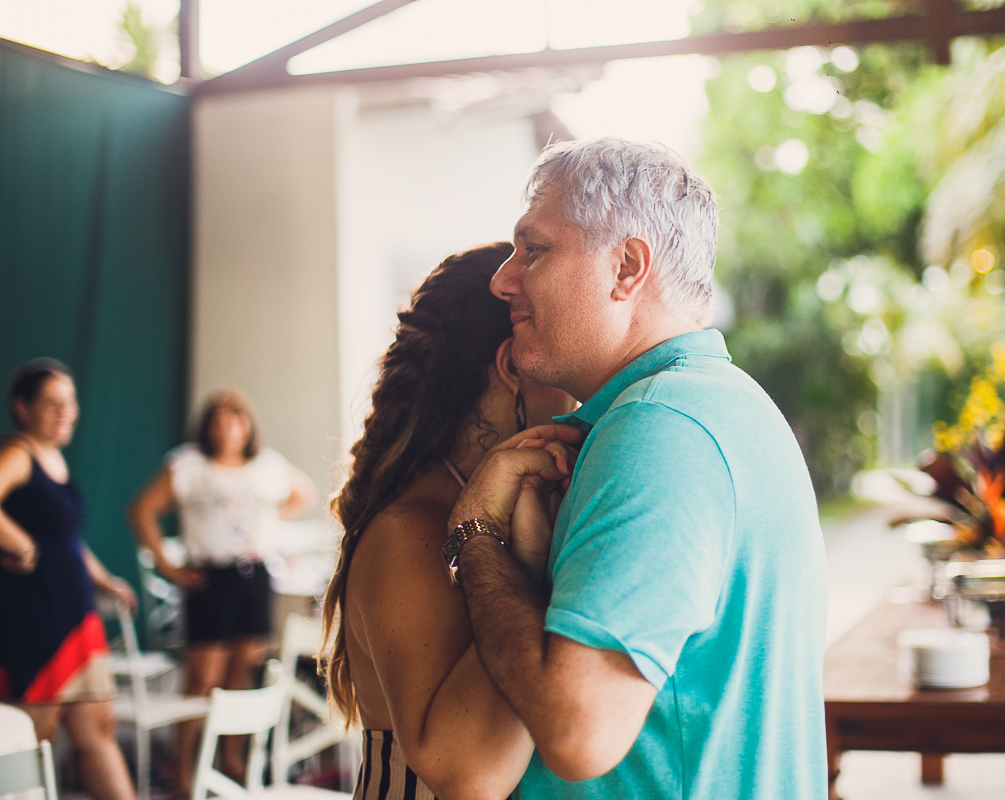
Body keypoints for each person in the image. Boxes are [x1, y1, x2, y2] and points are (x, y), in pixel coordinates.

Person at [445, 137, 829, 799]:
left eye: (534, 250)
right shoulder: (720, 405)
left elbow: (579, 731)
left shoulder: (659, 429)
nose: (502, 280)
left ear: (625, 268)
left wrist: (475, 536)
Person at [319, 242, 576, 800]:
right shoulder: (411, 532)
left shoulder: (457, 505)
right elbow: (468, 775)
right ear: (512, 365)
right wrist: (525, 561)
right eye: (563, 358)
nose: (578, 395)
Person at [127, 387, 317, 790]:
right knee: (203, 676)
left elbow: (305, 493)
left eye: (235, 419)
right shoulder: (188, 465)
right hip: (209, 579)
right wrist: (168, 567)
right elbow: (142, 510)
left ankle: (230, 761)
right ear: (207, 427)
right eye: (218, 420)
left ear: (247, 426)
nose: (227, 428)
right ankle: (184, 769)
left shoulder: (266, 465)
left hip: (255, 575)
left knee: (243, 669)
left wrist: (268, 521)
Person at [0, 358, 138, 800]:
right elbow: (36, 539)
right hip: (35, 617)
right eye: (52, 403)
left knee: (98, 729)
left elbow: (66, 539)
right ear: (22, 408)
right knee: (33, 738)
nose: (66, 412)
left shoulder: (53, 458)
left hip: (77, 614)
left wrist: (105, 580)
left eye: (70, 402)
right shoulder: (17, 453)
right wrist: (20, 542)